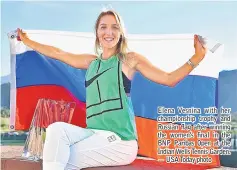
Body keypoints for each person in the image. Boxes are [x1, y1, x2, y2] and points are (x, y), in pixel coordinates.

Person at [17, 9, 206, 170]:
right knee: (56, 130)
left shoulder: (128, 60)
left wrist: (196, 58)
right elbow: (59, 54)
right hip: (94, 135)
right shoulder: (91, 63)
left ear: (121, 33)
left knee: (63, 157)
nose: (109, 32)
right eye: (103, 27)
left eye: (115, 27)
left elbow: (168, 79)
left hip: (121, 142)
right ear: (97, 33)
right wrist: (27, 41)